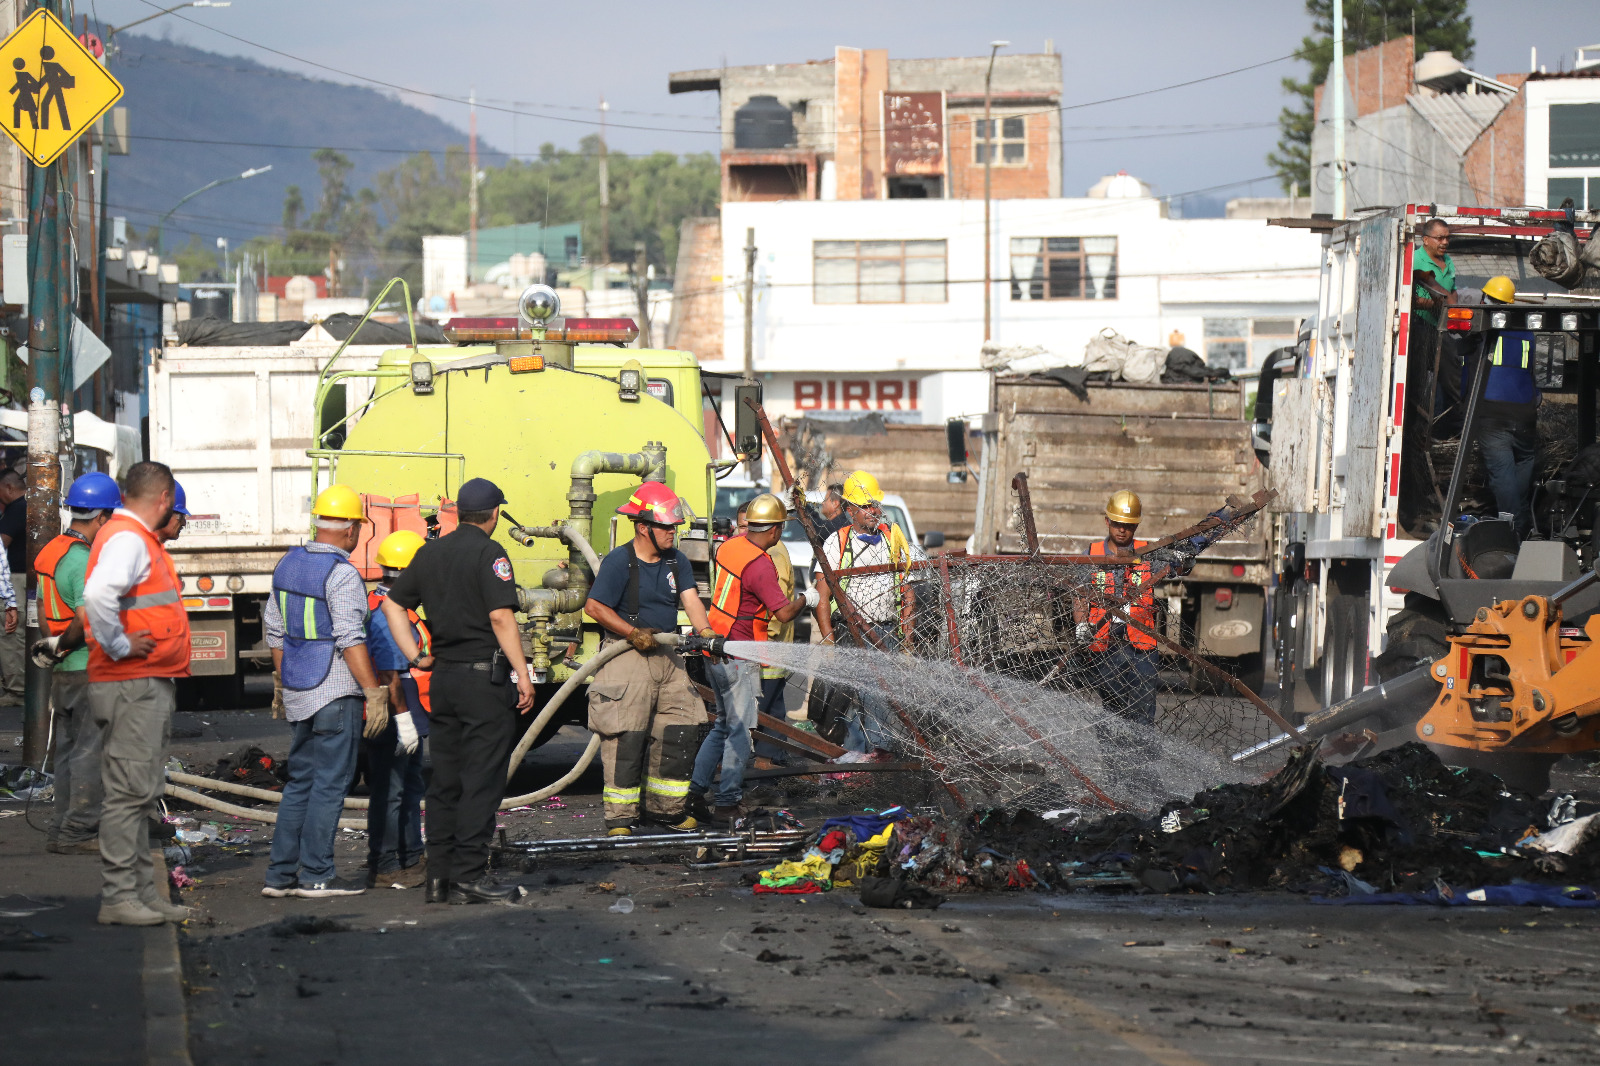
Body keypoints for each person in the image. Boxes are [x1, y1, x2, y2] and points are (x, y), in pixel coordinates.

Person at [382, 477, 533, 904]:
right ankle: (470, 876)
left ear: (460, 513)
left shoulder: (429, 552)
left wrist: (416, 655)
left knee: (445, 780)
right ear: (495, 515)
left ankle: (440, 878)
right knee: (481, 780)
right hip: (483, 682)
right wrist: (522, 673)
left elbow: (394, 604)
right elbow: (501, 618)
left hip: (443, 679)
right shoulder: (490, 553)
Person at [261, 485, 388, 901]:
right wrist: (373, 692)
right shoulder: (343, 573)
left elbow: (275, 632)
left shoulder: (287, 565)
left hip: (300, 689)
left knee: (300, 783)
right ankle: (317, 875)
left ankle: (280, 877)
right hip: (335, 694)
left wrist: (284, 682)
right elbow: (351, 639)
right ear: (350, 528)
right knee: (331, 786)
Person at [79, 462, 192, 926]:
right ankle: (120, 897)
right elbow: (99, 594)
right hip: (132, 682)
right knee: (129, 796)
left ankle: (142, 894)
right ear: (164, 497)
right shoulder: (129, 538)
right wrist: (121, 645)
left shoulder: (129, 536)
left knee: (140, 793)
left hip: (135, 682)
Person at [583, 481, 714, 836]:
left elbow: (690, 600)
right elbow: (594, 606)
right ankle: (621, 818)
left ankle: (666, 812)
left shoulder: (677, 560)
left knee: (679, 729)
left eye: (674, 527)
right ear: (643, 527)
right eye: (666, 527)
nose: (673, 533)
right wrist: (631, 633)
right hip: (627, 654)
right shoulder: (619, 561)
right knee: (627, 735)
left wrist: (707, 633)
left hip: (667, 655)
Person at [692, 493, 815, 822]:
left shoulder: (730, 546)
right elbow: (785, 613)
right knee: (740, 730)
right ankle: (728, 801)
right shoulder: (761, 564)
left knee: (721, 725)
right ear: (774, 530)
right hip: (739, 654)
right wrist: (808, 597)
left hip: (714, 645)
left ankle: (695, 791)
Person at [36, 473, 121, 854]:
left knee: (68, 752)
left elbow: (41, 607)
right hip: (86, 664)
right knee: (90, 751)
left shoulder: (53, 550)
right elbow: (87, 619)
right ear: (101, 516)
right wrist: (66, 645)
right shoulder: (83, 560)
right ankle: (81, 829)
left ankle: (61, 826)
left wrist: (53, 647)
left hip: (64, 671)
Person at [811, 470, 921, 752]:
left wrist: (907, 643)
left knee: (880, 704)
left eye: (876, 504)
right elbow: (822, 597)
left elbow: (907, 594)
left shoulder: (891, 540)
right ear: (850, 510)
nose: (874, 511)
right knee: (844, 703)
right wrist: (828, 642)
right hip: (850, 632)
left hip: (885, 633)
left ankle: (877, 761)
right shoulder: (837, 543)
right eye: (866, 505)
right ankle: (855, 759)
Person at [1073, 490, 1161, 780]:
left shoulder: (1149, 554)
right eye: (1117, 524)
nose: (1122, 530)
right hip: (1106, 647)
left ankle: (1142, 775)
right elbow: (1080, 595)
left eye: (1129, 525)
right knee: (1111, 711)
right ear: (1107, 522)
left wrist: (1186, 561)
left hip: (1141, 647)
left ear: (1136, 526)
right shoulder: (1093, 555)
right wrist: (1081, 625)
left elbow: (1180, 566)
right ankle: (1115, 776)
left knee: (1143, 714)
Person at [363, 530, 430, 888]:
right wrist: (403, 719)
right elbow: (389, 673)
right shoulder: (386, 614)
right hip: (395, 706)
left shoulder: (396, 607)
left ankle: (410, 857)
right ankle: (387, 864)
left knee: (409, 787)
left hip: (409, 707)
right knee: (391, 790)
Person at [1463, 276, 1540, 537]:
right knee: (1525, 459)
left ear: (1487, 299)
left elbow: (1461, 348)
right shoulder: (1527, 331)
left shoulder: (1484, 328)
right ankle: (1520, 515)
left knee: (1502, 471)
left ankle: (1514, 526)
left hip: (1492, 411)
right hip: (1525, 412)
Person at [0, 465, 26, 705]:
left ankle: (16, 690)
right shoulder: (32, 504)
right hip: (26, 578)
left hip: (15, 579)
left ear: (8, 488)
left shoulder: (17, 509)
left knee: (11, 632)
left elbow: (1, 543)